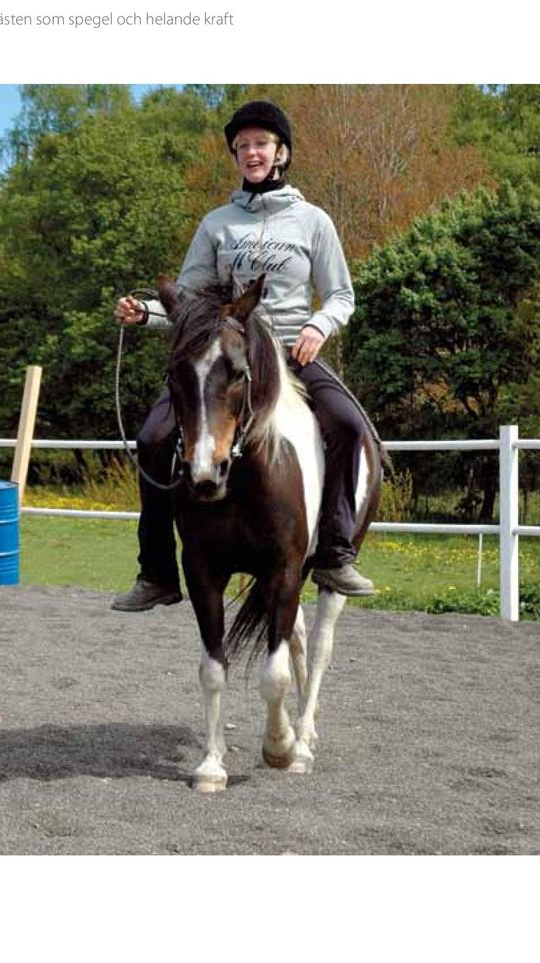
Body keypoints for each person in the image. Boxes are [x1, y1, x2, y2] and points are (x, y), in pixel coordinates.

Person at [112, 99, 377, 611]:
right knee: (151, 438)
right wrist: (145, 312)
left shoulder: (313, 222)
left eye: (260, 144)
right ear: (235, 156)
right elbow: (186, 300)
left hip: (287, 352)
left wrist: (319, 326)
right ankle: (158, 572)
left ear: (281, 152)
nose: (251, 153)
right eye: (242, 147)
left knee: (349, 426)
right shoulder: (217, 224)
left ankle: (335, 553)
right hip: (223, 357)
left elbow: (341, 295)